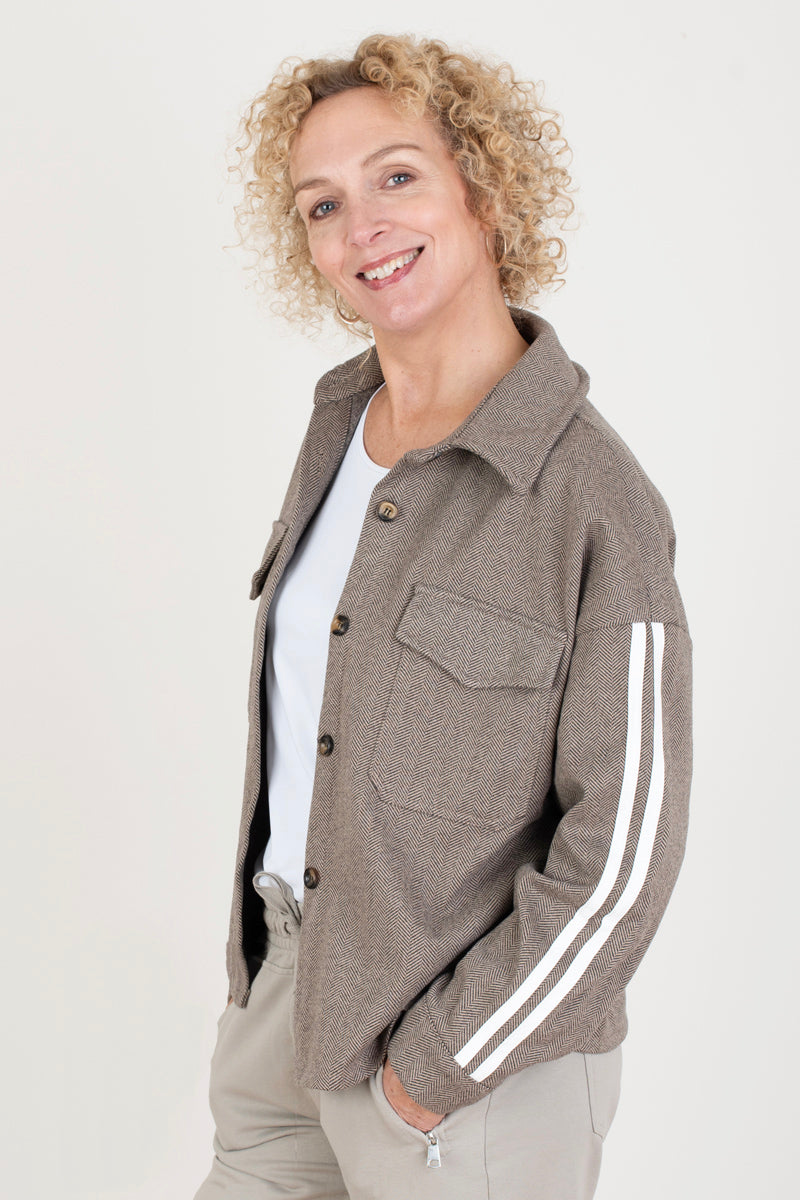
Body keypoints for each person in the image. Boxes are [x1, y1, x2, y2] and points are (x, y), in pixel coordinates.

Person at [195, 33, 692, 1200]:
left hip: (465, 1080)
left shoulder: (593, 498)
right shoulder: (336, 431)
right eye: (322, 204)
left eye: (397, 176)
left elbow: (623, 853)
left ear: (483, 187)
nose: (360, 225)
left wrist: (437, 1068)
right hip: (282, 1015)